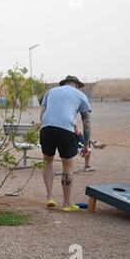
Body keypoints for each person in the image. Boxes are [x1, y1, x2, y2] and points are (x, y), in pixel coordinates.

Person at [39, 75, 92, 212]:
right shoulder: (80, 95)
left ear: (64, 84)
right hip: (65, 131)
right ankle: (66, 204)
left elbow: (42, 115)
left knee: (48, 161)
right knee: (67, 166)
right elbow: (86, 123)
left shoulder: (50, 91)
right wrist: (86, 145)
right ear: (77, 85)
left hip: (46, 128)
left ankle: (50, 197)